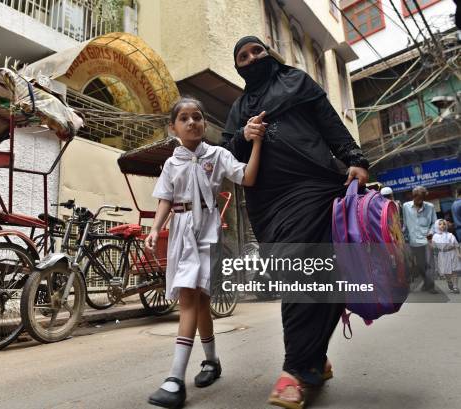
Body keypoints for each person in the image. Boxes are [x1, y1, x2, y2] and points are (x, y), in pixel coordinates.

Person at [222, 36, 369, 409]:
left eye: (258, 51)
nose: (254, 57)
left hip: (314, 187)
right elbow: (227, 155)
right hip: (268, 204)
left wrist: (354, 158)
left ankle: (294, 370)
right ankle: (315, 359)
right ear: (238, 67)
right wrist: (244, 135)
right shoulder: (239, 108)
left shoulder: (298, 82)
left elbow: (327, 120)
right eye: (244, 55)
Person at [145, 96, 264, 408]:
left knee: (197, 297)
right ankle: (211, 362)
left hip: (207, 229)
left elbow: (247, 177)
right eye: (183, 118)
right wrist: (156, 228)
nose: (191, 122)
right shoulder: (172, 163)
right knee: (194, 299)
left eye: (196, 117)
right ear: (173, 127)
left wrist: (256, 144)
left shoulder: (218, 154)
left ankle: (175, 379)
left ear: (204, 123)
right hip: (181, 230)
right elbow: (165, 199)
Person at [402, 186, 438, 293]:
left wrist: (430, 234)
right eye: (419, 198)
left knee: (429, 263)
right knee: (420, 264)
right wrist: (401, 234)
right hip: (413, 241)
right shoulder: (405, 206)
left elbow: (434, 223)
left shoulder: (430, 207)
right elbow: (405, 223)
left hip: (427, 240)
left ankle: (431, 286)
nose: (421, 200)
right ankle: (426, 283)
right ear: (414, 196)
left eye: (423, 198)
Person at [432, 218, 461, 294]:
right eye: (440, 224)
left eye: (444, 224)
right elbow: (433, 247)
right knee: (446, 272)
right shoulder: (435, 236)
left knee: (454, 271)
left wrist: (459, 253)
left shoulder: (450, 235)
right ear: (436, 226)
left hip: (452, 253)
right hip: (442, 255)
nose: (442, 226)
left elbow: (456, 245)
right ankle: (449, 281)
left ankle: (455, 286)